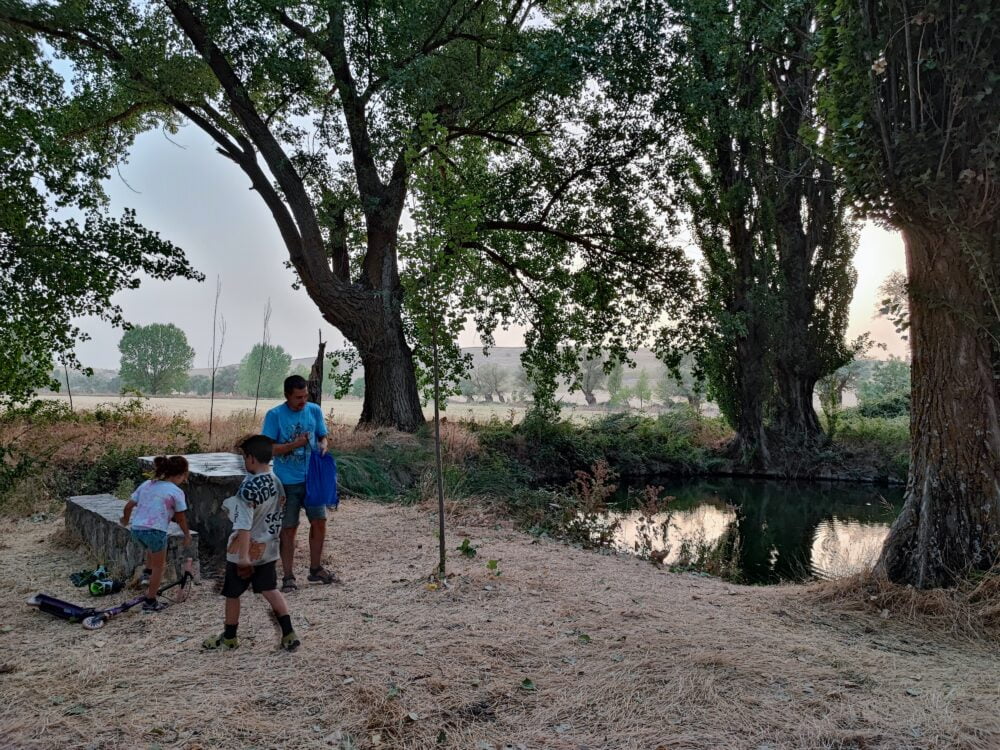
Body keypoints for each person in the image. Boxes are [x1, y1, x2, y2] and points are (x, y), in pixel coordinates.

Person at [203, 434, 300, 651]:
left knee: (232, 593)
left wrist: (244, 558)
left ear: (252, 458)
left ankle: (229, 637)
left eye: (244, 457)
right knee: (270, 590)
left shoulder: (248, 489)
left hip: (244, 551)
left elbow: (244, 525)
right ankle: (288, 633)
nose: (244, 461)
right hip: (269, 549)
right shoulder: (276, 481)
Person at [262, 374, 337, 591]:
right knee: (289, 528)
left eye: (305, 396)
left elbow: (323, 436)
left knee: (319, 521)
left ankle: (315, 569)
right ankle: (288, 576)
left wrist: (323, 445)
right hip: (287, 481)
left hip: (313, 478)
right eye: (298, 398)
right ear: (287, 396)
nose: (303, 401)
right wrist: (296, 444)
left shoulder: (314, 410)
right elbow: (268, 449)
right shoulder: (274, 415)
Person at [120, 455, 192, 613]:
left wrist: (125, 520)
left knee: (151, 550)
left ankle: (147, 574)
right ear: (181, 475)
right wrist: (187, 534)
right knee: (160, 565)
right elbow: (180, 517)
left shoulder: (147, 484)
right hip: (156, 530)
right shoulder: (176, 491)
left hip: (137, 529)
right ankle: (150, 601)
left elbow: (128, 506)